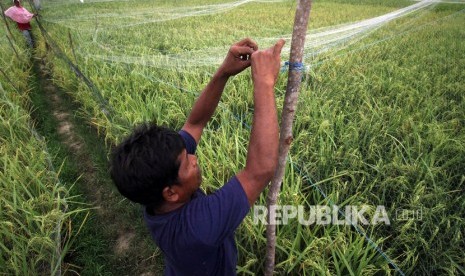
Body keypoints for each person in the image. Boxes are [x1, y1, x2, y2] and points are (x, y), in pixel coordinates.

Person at [110, 38, 284, 275]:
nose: (194, 158)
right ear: (171, 193)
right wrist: (264, 83)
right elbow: (260, 170)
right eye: (187, 163)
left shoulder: (154, 194)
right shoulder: (197, 229)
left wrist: (224, 72)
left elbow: (194, 123)